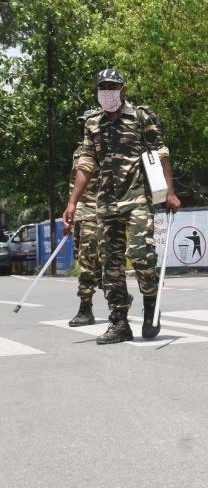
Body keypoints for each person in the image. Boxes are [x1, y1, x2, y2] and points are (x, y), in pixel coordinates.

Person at [63, 69, 181, 344]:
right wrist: (73, 202)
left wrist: (170, 193)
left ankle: (151, 305)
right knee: (110, 265)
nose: (107, 91)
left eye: (112, 86)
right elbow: (86, 163)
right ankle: (119, 322)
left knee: (142, 255)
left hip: (137, 197)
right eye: (102, 87)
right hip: (106, 203)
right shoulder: (92, 123)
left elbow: (160, 154)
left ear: (122, 89)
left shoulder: (140, 117)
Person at [67, 109, 103, 327]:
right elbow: (74, 185)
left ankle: (85, 309)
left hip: (97, 211)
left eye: (88, 123)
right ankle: (117, 296)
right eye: (83, 123)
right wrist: (70, 209)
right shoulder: (79, 151)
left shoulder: (103, 149)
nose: (84, 127)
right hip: (80, 212)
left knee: (88, 261)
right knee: (87, 260)